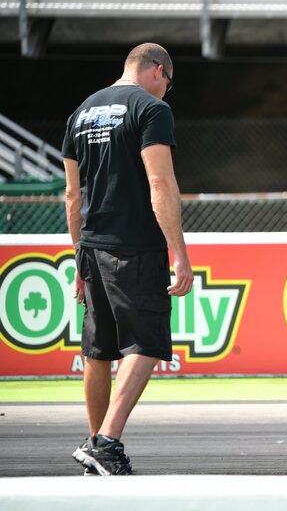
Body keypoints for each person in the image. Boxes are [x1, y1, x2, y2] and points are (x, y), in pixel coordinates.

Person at [63, 43, 193, 476]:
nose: (166, 93)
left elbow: (71, 197)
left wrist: (79, 258)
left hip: (93, 246)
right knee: (147, 341)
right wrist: (180, 253)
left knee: (98, 351)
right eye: (168, 85)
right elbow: (160, 182)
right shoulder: (151, 111)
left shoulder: (79, 113)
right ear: (158, 70)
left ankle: (94, 445)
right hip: (135, 245)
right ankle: (106, 441)